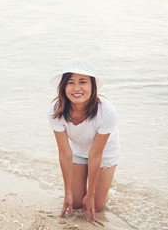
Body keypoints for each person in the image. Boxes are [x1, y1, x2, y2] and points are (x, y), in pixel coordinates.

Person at [47, 59, 119, 223]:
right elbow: (65, 153)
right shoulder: (55, 109)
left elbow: (95, 154)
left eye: (83, 82)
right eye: (70, 82)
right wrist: (67, 193)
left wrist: (91, 193)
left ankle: (105, 190)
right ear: (63, 86)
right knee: (77, 203)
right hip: (79, 149)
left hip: (104, 151)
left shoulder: (105, 110)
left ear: (93, 87)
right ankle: (89, 188)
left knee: (96, 205)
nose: (76, 88)